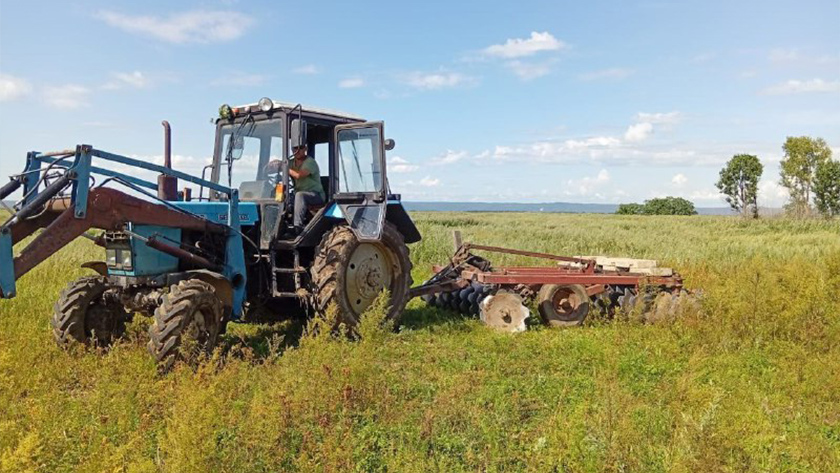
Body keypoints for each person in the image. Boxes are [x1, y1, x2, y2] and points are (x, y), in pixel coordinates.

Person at [266, 144, 325, 237]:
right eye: (295, 148)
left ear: (305, 148)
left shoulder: (310, 162)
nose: (297, 151)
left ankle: (297, 227)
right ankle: (273, 229)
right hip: (297, 194)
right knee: (280, 196)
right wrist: (273, 166)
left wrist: (283, 166)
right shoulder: (291, 163)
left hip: (315, 195)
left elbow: (298, 175)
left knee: (299, 195)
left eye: (300, 148)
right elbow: (279, 168)